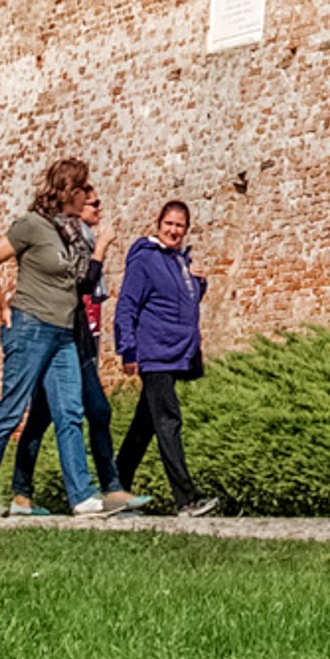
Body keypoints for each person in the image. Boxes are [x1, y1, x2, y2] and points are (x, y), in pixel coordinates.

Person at [0, 157, 133, 517]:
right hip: (29, 327)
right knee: (10, 412)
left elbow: (85, 282)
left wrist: (101, 249)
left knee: (70, 412)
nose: (88, 194)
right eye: (82, 189)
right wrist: (2, 306)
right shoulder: (31, 225)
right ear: (68, 192)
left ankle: (82, 497)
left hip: (63, 334)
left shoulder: (70, 232)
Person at [111, 199, 219, 518]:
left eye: (180, 226)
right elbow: (127, 306)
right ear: (157, 225)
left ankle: (115, 488)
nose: (174, 230)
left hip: (174, 353)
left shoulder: (179, 262)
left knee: (143, 427)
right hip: (154, 353)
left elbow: (180, 303)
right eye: (169, 224)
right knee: (169, 420)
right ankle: (186, 499)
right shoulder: (145, 260)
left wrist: (199, 283)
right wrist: (127, 350)